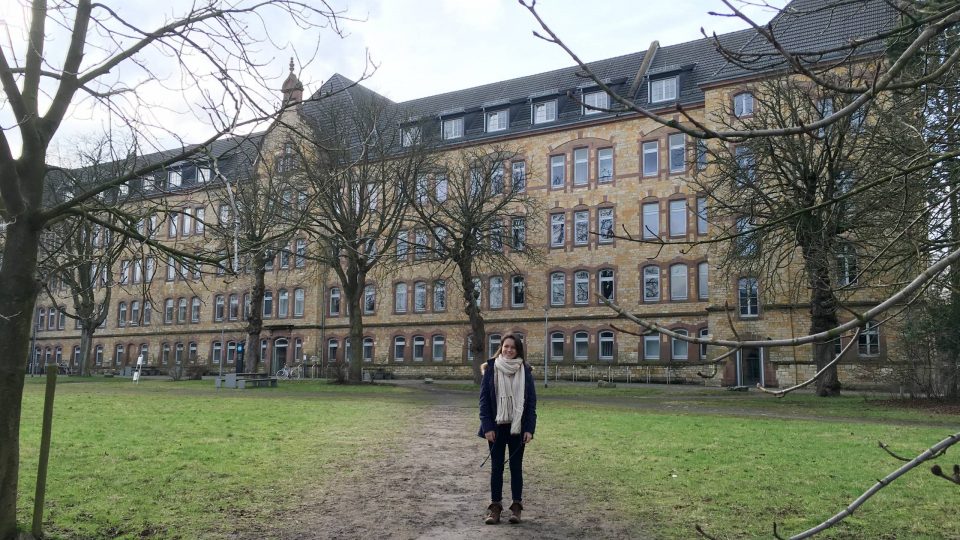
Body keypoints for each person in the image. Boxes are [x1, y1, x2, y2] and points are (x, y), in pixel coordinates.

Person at [478, 333, 537, 525]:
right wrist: (487, 427)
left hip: (518, 427)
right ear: (501, 348)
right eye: (506, 346)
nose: (509, 350)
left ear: (518, 350)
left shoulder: (525, 371)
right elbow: (484, 402)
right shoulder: (490, 369)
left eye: (513, 347)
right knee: (496, 468)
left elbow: (531, 404)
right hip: (495, 427)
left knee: (516, 468)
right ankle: (495, 507)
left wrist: (529, 429)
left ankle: (516, 507)